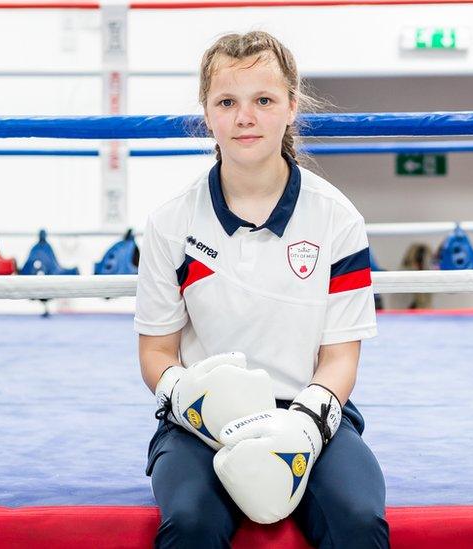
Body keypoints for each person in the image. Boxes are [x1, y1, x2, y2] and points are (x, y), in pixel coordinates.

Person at [135, 31, 389, 549]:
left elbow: (341, 359)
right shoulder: (170, 223)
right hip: (198, 423)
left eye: (264, 100)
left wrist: (304, 428)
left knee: (358, 521)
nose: (244, 117)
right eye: (227, 102)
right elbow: (156, 353)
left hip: (309, 410)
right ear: (207, 114)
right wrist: (192, 400)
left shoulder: (337, 219)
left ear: (292, 106)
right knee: (189, 523)